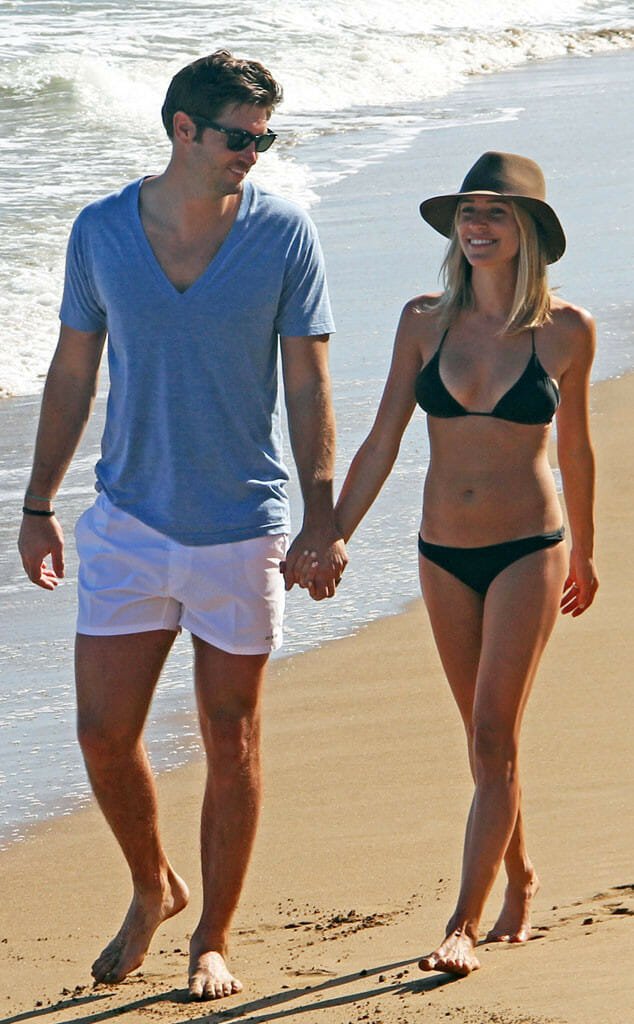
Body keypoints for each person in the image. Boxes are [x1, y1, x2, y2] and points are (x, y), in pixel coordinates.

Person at [17, 50, 347, 1001]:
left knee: (230, 736)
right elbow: (72, 371)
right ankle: (153, 885)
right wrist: (38, 506)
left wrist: (321, 518)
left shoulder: (284, 234)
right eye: (240, 136)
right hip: (127, 520)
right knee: (101, 734)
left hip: (242, 525)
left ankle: (213, 936)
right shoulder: (101, 231)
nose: (254, 153)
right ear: (184, 129)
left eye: (264, 139)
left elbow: (308, 383)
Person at [306, 152, 598, 974]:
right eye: (468, 211)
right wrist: (332, 532)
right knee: (483, 742)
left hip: (529, 551)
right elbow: (383, 440)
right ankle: (521, 877)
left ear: (528, 229)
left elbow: (576, 449)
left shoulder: (567, 330)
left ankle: (462, 925)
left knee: (495, 731)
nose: (476, 224)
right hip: (441, 553)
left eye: (495, 212)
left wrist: (587, 550)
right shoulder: (423, 320)